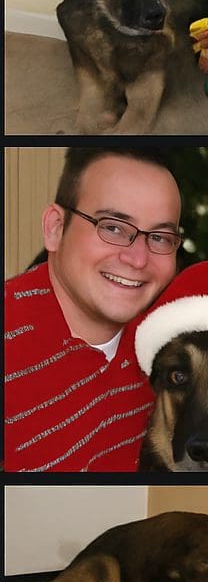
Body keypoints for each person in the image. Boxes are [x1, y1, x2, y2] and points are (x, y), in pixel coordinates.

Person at [4, 148, 181, 472]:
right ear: (56, 228)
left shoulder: (166, 344)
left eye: (159, 237)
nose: (138, 259)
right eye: (112, 227)